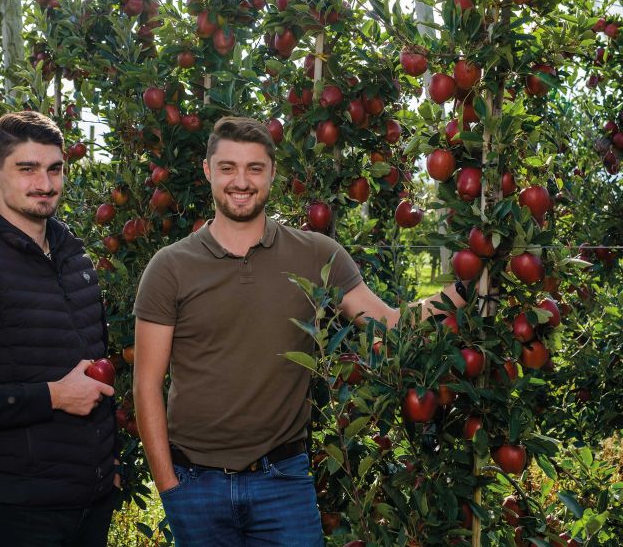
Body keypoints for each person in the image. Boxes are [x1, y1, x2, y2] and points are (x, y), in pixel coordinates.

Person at [132, 116, 467, 546]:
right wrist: (169, 487)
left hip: (283, 481)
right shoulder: (170, 267)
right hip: (197, 483)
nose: (241, 181)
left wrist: (463, 289)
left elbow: (389, 324)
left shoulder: (315, 255)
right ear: (207, 171)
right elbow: (146, 385)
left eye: (255, 168)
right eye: (228, 167)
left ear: (272, 173)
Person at [0, 110, 119, 547]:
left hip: (88, 503)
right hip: (12, 511)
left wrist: (110, 469)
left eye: (54, 169)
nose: (44, 184)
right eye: (26, 169)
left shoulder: (74, 258)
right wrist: (53, 395)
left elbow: (91, 372)